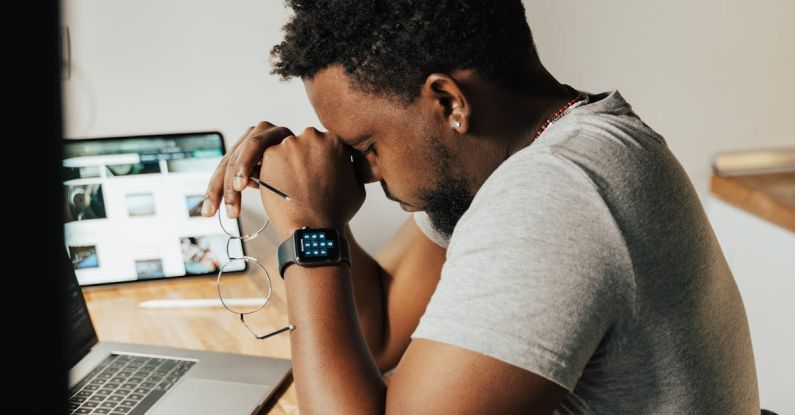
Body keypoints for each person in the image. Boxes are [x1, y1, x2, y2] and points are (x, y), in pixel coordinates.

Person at [201, 1, 759, 413]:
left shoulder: (556, 194)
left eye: (367, 147)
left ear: (448, 101)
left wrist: (307, 231)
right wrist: (315, 199)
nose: (366, 172)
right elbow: (382, 329)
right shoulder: (521, 158)